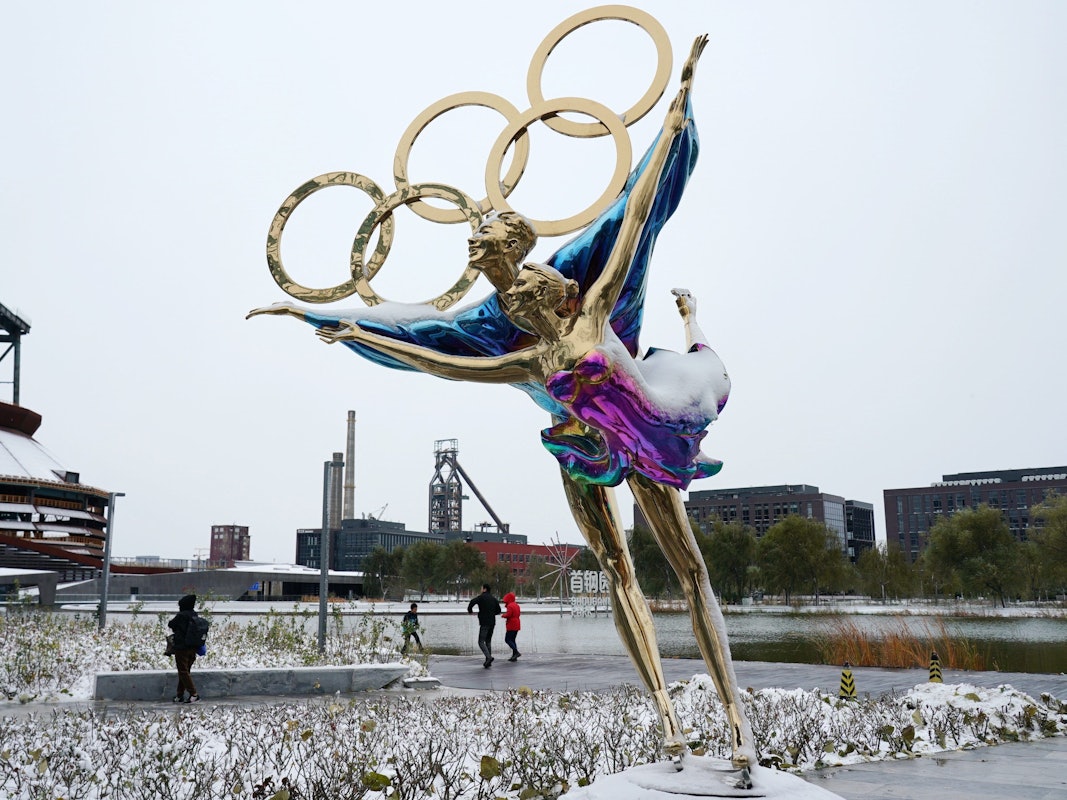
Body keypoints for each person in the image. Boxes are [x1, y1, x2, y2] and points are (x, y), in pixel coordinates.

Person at [249, 36, 754, 784]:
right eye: (474, 240)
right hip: (575, 444)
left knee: (688, 571)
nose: (475, 246)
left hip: (641, 430)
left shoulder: (586, 285)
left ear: (527, 259)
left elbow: (637, 211)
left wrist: (676, 112)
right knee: (617, 569)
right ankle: (672, 728)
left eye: (484, 236)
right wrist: (342, 324)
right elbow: (430, 351)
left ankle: (736, 725)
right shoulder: (499, 338)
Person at [168, 594, 201, 703]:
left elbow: (171, 624)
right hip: (193, 648)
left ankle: (194, 694)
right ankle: (179, 695)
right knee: (185, 672)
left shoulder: (181, 615)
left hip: (182, 648)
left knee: (183, 671)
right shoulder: (195, 615)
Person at [466, 584, 501, 667]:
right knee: (488, 641)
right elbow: (498, 610)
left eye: (481, 588)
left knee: (481, 641)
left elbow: (472, 602)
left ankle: (488, 657)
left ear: (484, 589)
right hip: (492, 622)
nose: (481, 590)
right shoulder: (493, 599)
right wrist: (492, 613)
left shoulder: (481, 597)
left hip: (484, 622)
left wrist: (470, 611)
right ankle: (488, 661)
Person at [501, 592, 521, 661]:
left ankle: (516, 652)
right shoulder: (516, 605)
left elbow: (509, 614)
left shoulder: (510, 606)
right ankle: (514, 655)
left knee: (507, 639)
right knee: (513, 639)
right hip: (517, 623)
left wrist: (503, 615)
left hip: (512, 624)